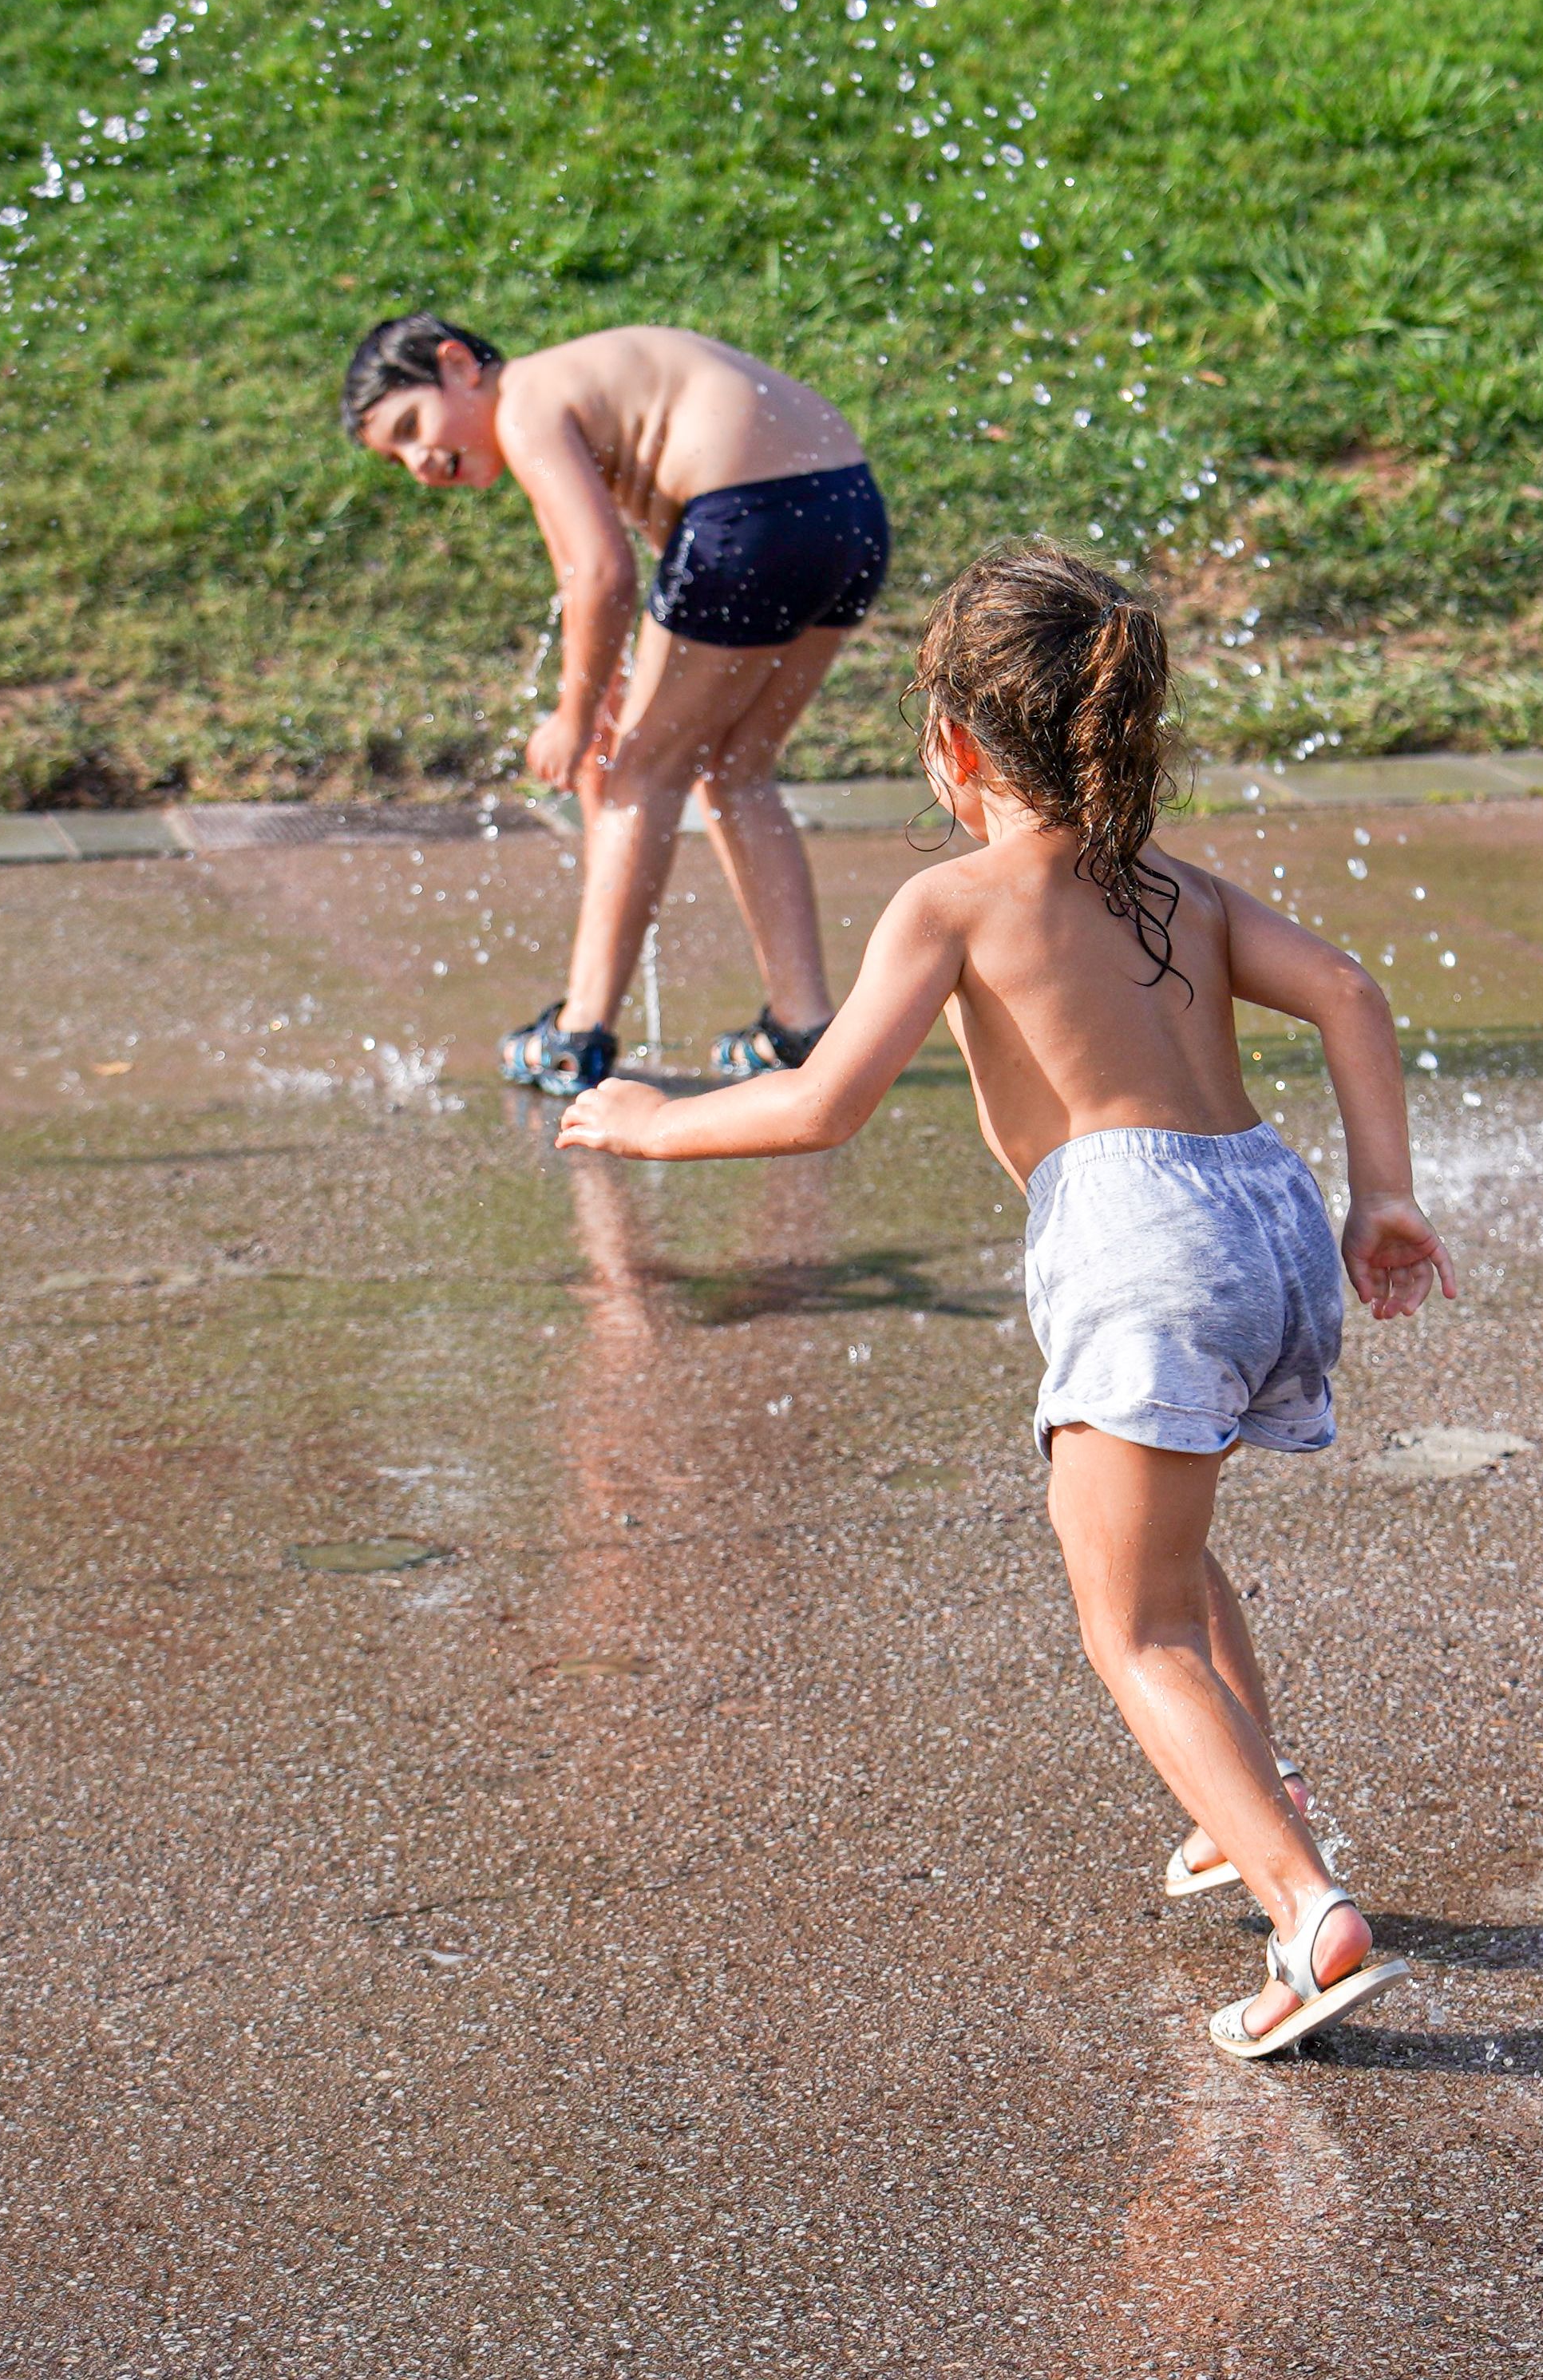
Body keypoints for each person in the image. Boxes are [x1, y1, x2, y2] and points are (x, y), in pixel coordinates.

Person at [554, 542, 1454, 2059]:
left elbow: (821, 1102)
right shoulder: (1175, 882)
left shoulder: (956, 898)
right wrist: (1383, 1195)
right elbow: (1351, 990)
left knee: (1133, 1625)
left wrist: (646, 1120)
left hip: (1135, 1237)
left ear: (956, 745)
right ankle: (1254, 1803)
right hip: (1263, 1209)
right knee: (1151, 1545)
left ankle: (1310, 1915)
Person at [342, 315, 892, 1096]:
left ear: (458, 364)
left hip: (750, 514)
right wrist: (604, 692)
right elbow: (616, 572)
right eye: (395, 457)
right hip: (848, 512)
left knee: (635, 776)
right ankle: (801, 1028)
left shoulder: (523, 402)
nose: (418, 462)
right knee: (737, 769)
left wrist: (573, 720)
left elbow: (602, 575)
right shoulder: (585, 381)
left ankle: (578, 1033)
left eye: (410, 426)